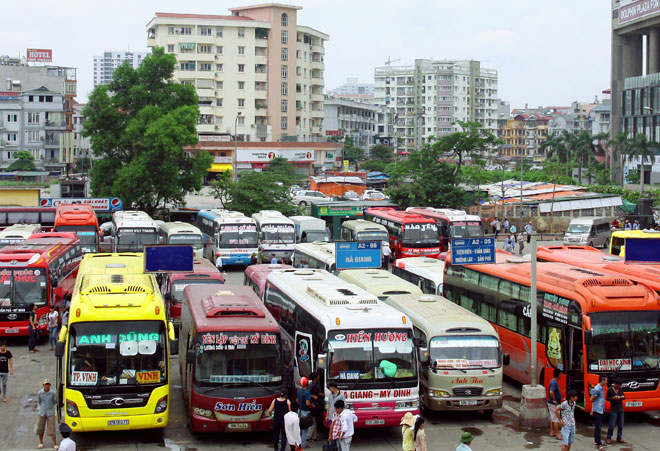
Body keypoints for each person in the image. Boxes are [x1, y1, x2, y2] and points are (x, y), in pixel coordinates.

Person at [37, 379, 57, 450]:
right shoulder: (40, 393)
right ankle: (41, 442)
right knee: (40, 428)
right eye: (45, 384)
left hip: (50, 412)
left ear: (50, 385)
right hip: (42, 412)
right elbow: (39, 401)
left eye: (48, 384)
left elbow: (55, 401)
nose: (47, 386)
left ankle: (54, 444)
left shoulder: (53, 393)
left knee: (52, 428)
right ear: (43, 385)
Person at [590, 374, 608, 450]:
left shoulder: (602, 388)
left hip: (601, 409)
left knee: (599, 426)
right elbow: (592, 399)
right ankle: (599, 444)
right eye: (606, 380)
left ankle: (597, 440)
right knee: (598, 427)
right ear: (603, 380)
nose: (607, 381)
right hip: (597, 410)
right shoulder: (597, 389)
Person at [606, 379, 626, 444]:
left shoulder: (620, 389)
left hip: (621, 409)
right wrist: (613, 398)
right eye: (618, 385)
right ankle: (609, 437)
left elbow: (624, 397)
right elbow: (607, 398)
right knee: (612, 424)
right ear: (615, 384)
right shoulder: (610, 390)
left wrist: (621, 397)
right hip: (614, 409)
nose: (619, 387)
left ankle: (619, 437)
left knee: (621, 424)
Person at [297, 376, 313, 448]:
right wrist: (312, 405)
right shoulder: (307, 393)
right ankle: (303, 444)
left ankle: (299, 442)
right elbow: (308, 403)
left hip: (299, 410)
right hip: (305, 411)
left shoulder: (298, 391)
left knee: (299, 427)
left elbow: (297, 400)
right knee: (305, 428)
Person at [307, 372, 324, 441]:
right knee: (313, 421)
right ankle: (309, 437)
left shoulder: (315, 384)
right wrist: (313, 396)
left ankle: (314, 437)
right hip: (313, 404)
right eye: (318, 376)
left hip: (316, 404)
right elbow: (307, 394)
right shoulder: (311, 385)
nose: (319, 377)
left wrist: (319, 394)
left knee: (314, 421)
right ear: (315, 377)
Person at [547, 368, 562, 440]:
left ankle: (552, 431)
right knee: (556, 419)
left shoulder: (553, 381)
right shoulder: (554, 383)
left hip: (551, 403)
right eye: (560, 374)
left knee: (552, 418)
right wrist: (554, 400)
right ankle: (557, 433)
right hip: (554, 404)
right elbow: (551, 392)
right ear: (558, 375)